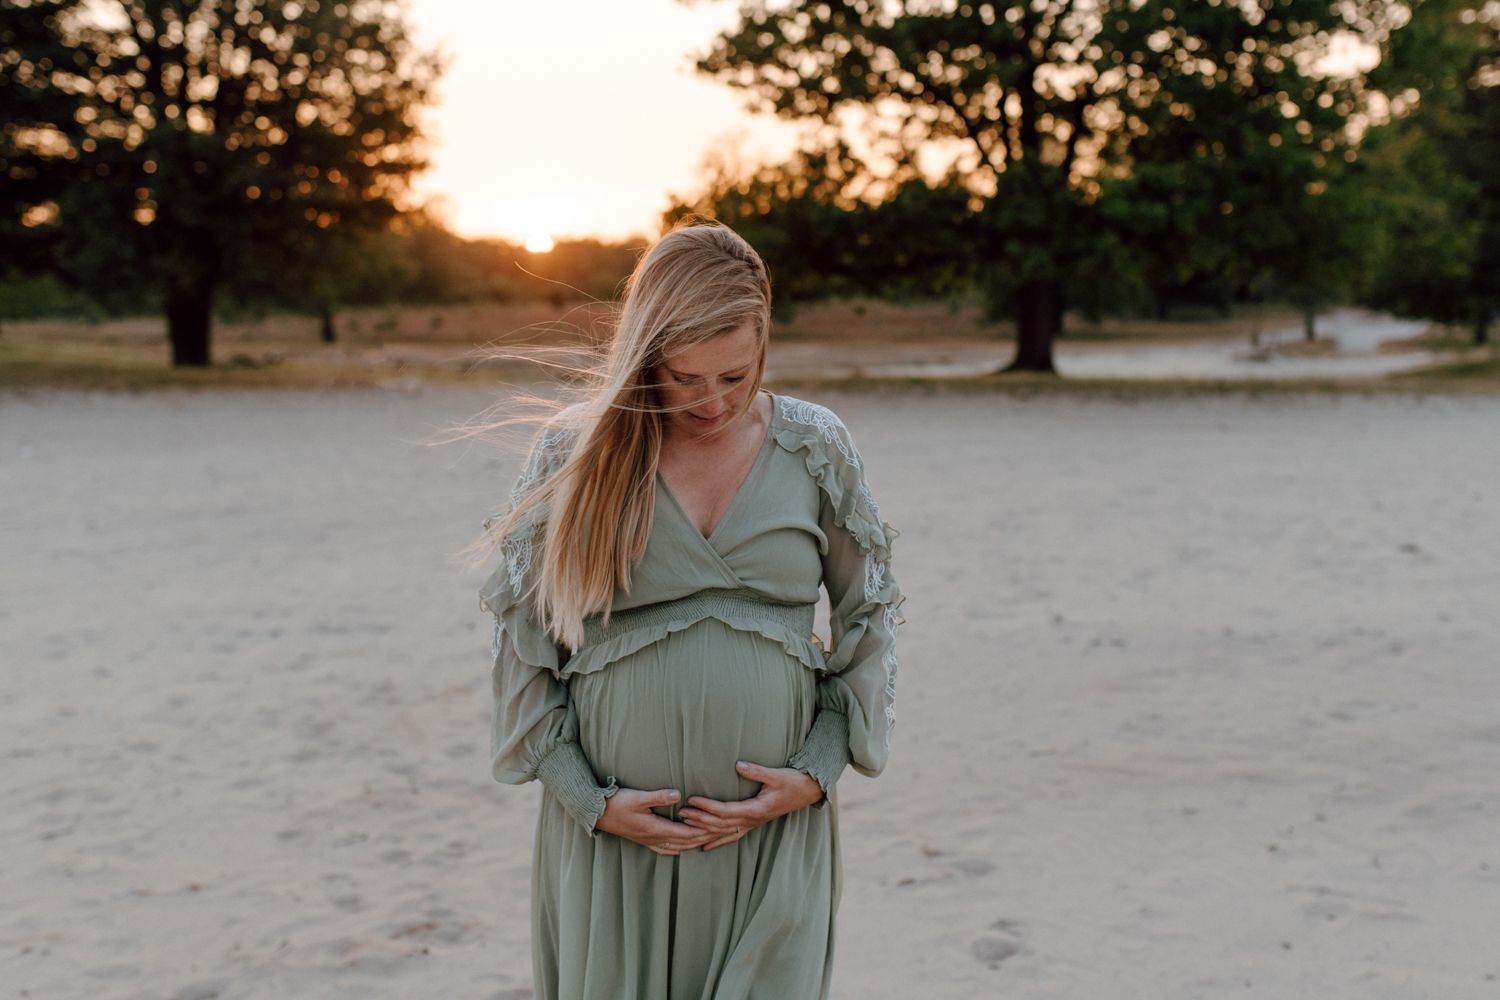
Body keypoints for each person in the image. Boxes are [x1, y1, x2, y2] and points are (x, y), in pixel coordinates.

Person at [477, 221, 904, 1000]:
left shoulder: (815, 446)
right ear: (645, 359)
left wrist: (815, 772)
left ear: (764, 341)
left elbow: (871, 614)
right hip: (617, 844)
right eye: (685, 379)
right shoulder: (578, 455)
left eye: (735, 377)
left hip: (771, 834)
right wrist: (591, 803)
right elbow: (521, 645)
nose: (713, 402)